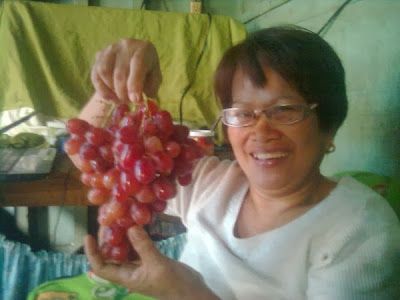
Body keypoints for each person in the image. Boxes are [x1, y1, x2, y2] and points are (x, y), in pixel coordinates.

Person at [71, 26, 400, 299]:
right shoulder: (210, 183)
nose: (260, 130)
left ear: (328, 126)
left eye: (284, 109)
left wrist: (188, 294)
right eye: (242, 113)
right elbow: (92, 160)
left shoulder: (359, 230)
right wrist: (114, 88)